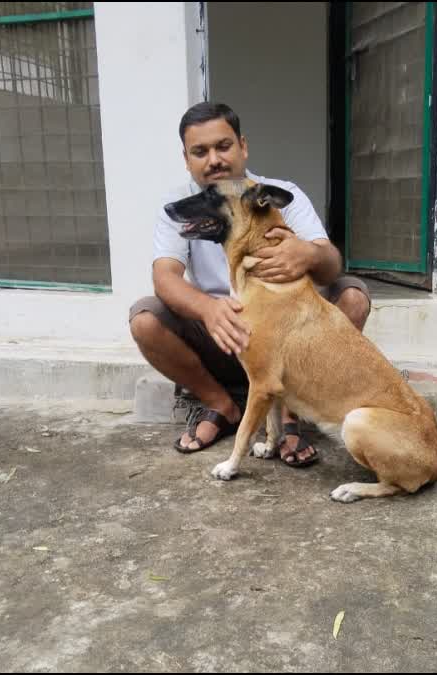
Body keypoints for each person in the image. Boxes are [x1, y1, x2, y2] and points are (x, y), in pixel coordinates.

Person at [128, 102, 371, 467]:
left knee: (352, 295)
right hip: (221, 330)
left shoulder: (279, 194)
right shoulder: (182, 206)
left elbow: (330, 265)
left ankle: (291, 415)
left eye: (222, 146)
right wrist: (208, 309)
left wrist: (308, 254)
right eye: (200, 152)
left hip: (284, 338)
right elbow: (165, 276)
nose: (213, 160)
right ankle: (220, 405)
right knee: (145, 318)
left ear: (242, 146)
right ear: (186, 159)